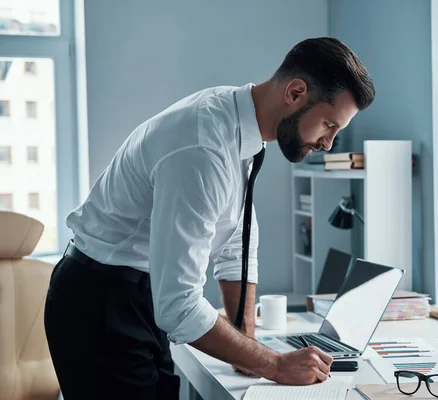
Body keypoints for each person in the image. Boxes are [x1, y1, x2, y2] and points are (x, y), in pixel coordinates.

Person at [44, 37, 375, 399]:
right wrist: (275, 365)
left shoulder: (240, 125)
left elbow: (236, 243)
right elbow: (179, 305)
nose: (328, 143)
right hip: (101, 302)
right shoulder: (204, 145)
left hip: (135, 295)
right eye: (329, 124)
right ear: (295, 93)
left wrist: (245, 339)